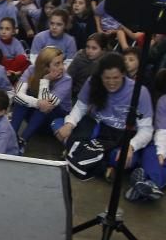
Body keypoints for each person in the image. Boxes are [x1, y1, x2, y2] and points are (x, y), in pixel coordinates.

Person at [56, 53, 156, 194]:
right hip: (96, 127)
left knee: (125, 160)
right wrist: (69, 124)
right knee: (59, 125)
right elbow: (80, 107)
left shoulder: (140, 91)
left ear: (123, 74)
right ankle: (104, 168)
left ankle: (77, 151)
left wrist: (131, 146)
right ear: (100, 76)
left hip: (122, 135)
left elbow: (146, 129)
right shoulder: (93, 82)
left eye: (115, 78)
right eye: (106, 78)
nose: (111, 82)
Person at [11, 47, 72, 145]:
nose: (62, 67)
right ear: (45, 67)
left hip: (54, 117)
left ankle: (23, 140)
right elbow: (17, 96)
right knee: (22, 98)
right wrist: (37, 103)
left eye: (62, 62)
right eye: (57, 64)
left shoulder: (66, 80)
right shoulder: (31, 70)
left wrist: (46, 80)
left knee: (43, 105)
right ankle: (11, 136)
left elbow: (46, 108)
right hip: (34, 113)